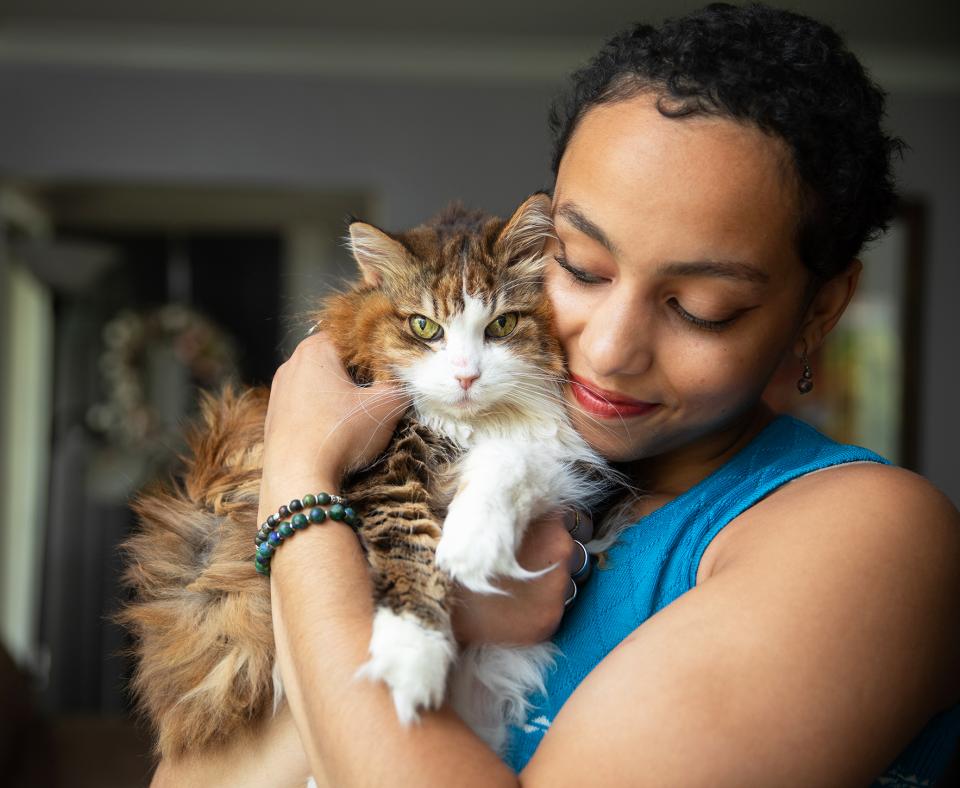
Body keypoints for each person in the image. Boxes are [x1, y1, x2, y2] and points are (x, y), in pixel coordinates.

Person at [151, 4, 960, 786]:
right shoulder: (488, 456)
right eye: (579, 267)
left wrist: (297, 491)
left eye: (700, 307)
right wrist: (442, 605)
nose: (609, 350)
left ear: (820, 310)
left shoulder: (873, 537)